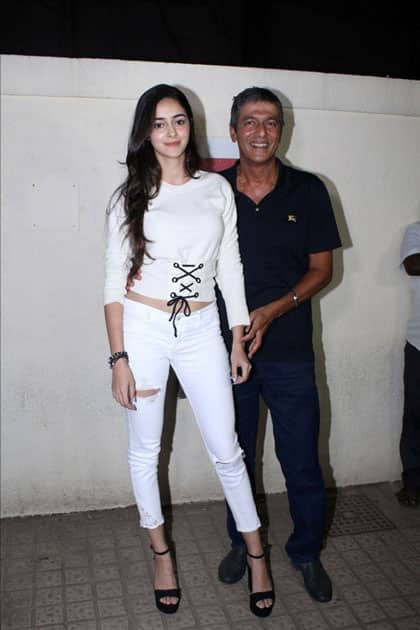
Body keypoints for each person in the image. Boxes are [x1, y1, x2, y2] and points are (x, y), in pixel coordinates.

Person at [104, 84, 274, 617]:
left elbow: (230, 266)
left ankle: (257, 555)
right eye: (159, 123)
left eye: (179, 121)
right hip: (145, 328)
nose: (172, 132)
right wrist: (119, 359)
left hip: (200, 329)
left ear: (189, 128)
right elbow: (112, 286)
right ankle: (161, 554)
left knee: (227, 449)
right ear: (145, 132)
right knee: (145, 450)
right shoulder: (128, 195)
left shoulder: (214, 189)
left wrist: (238, 339)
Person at [216, 87, 342, 603]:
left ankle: (306, 552)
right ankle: (242, 544)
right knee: (235, 456)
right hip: (228, 353)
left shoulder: (309, 191)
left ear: (281, 130)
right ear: (233, 131)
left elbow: (322, 270)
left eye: (270, 122)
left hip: (290, 351)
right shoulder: (212, 191)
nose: (261, 131)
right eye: (250, 122)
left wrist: (274, 308)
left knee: (301, 460)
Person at [396, 221, 420, 508]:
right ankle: (413, 483)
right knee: (415, 416)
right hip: (419, 342)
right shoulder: (416, 230)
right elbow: (413, 264)